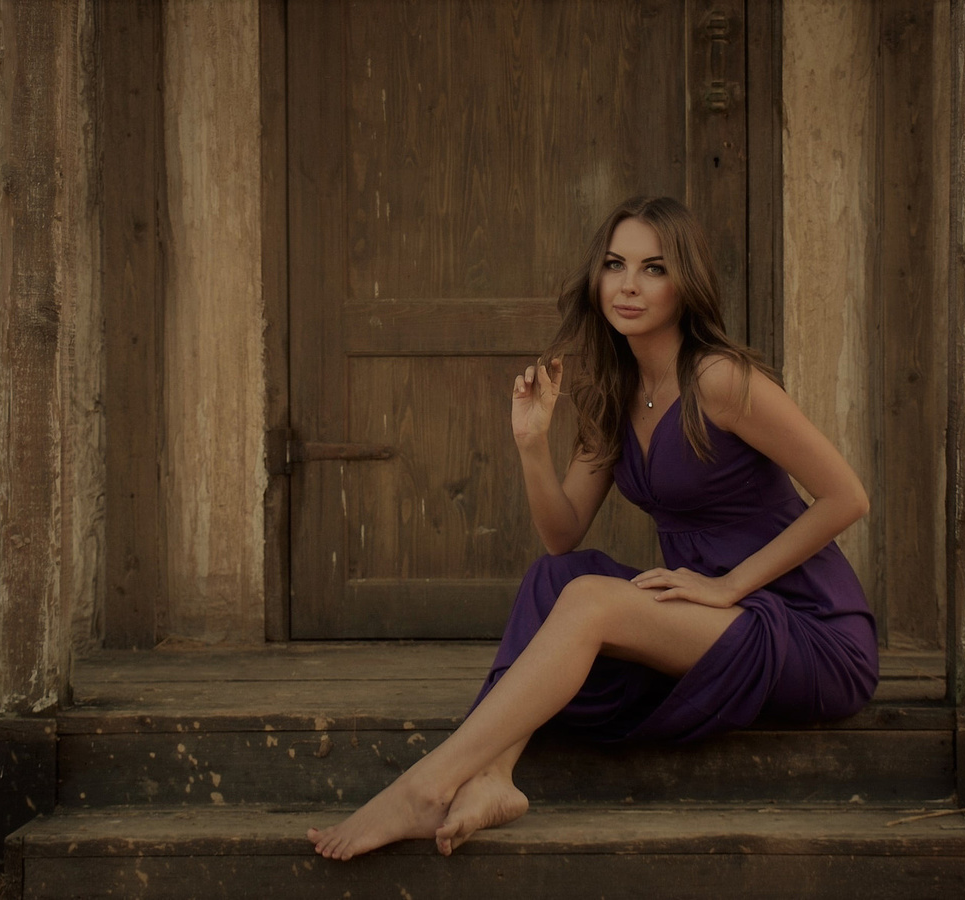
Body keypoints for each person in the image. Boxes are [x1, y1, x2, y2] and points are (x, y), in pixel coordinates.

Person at [306, 196, 878, 861]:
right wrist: (530, 445)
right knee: (559, 579)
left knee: (589, 601)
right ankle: (492, 777)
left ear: (686, 282)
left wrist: (729, 588)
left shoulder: (722, 380)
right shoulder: (615, 388)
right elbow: (562, 534)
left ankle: (427, 784)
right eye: (615, 265)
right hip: (709, 620)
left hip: (807, 632)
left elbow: (847, 497)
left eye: (653, 268)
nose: (628, 285)